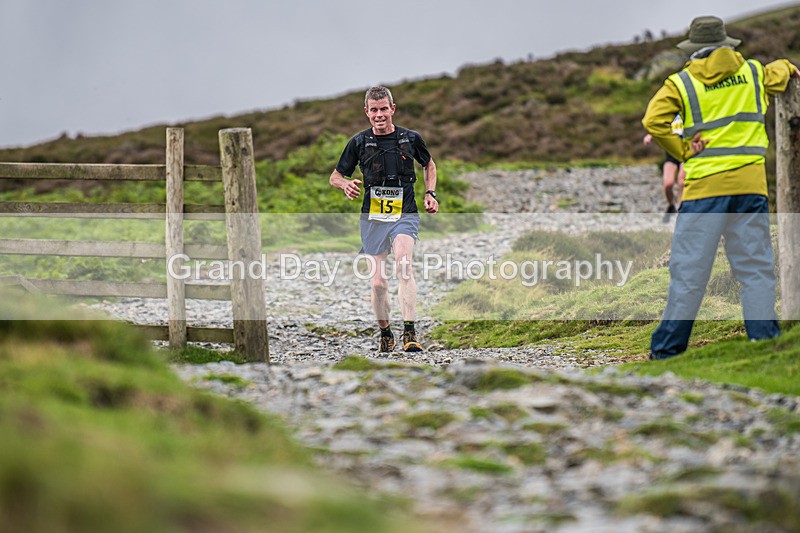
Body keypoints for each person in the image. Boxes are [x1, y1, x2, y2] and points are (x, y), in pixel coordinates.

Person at [642, 15, 800, 359]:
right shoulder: (754, 72)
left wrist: (684, 149)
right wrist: (787, 65)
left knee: (689, 274)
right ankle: (765, 344)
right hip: (750, 187)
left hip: (704, 193)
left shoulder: (680, 83)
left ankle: (667, 352)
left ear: (694, 50)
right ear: (727, 45)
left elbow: (653, 121)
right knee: (756, 270)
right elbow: (781, 71)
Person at [329, 86, 439, 353]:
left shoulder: (410, 138)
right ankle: (385, 332)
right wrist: (345, 185)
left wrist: (430, 193)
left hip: (405, 212)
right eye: (374, 110)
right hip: (373, 217)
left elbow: (429, 164)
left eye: (384, 109)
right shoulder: (358, 142)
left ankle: (410, 333)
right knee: (378, 283)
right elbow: (334, 176)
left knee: (404, 266)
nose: (379, 115)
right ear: (367, 112)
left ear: (393, 109)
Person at [642, 130, 685, 220]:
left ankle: (680, 209)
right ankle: (671, 205)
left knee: (681, 181)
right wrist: (651, 135)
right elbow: (661, 123)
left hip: (685, 152)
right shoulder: (671, 116)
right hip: (671, 153)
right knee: (668, 184)